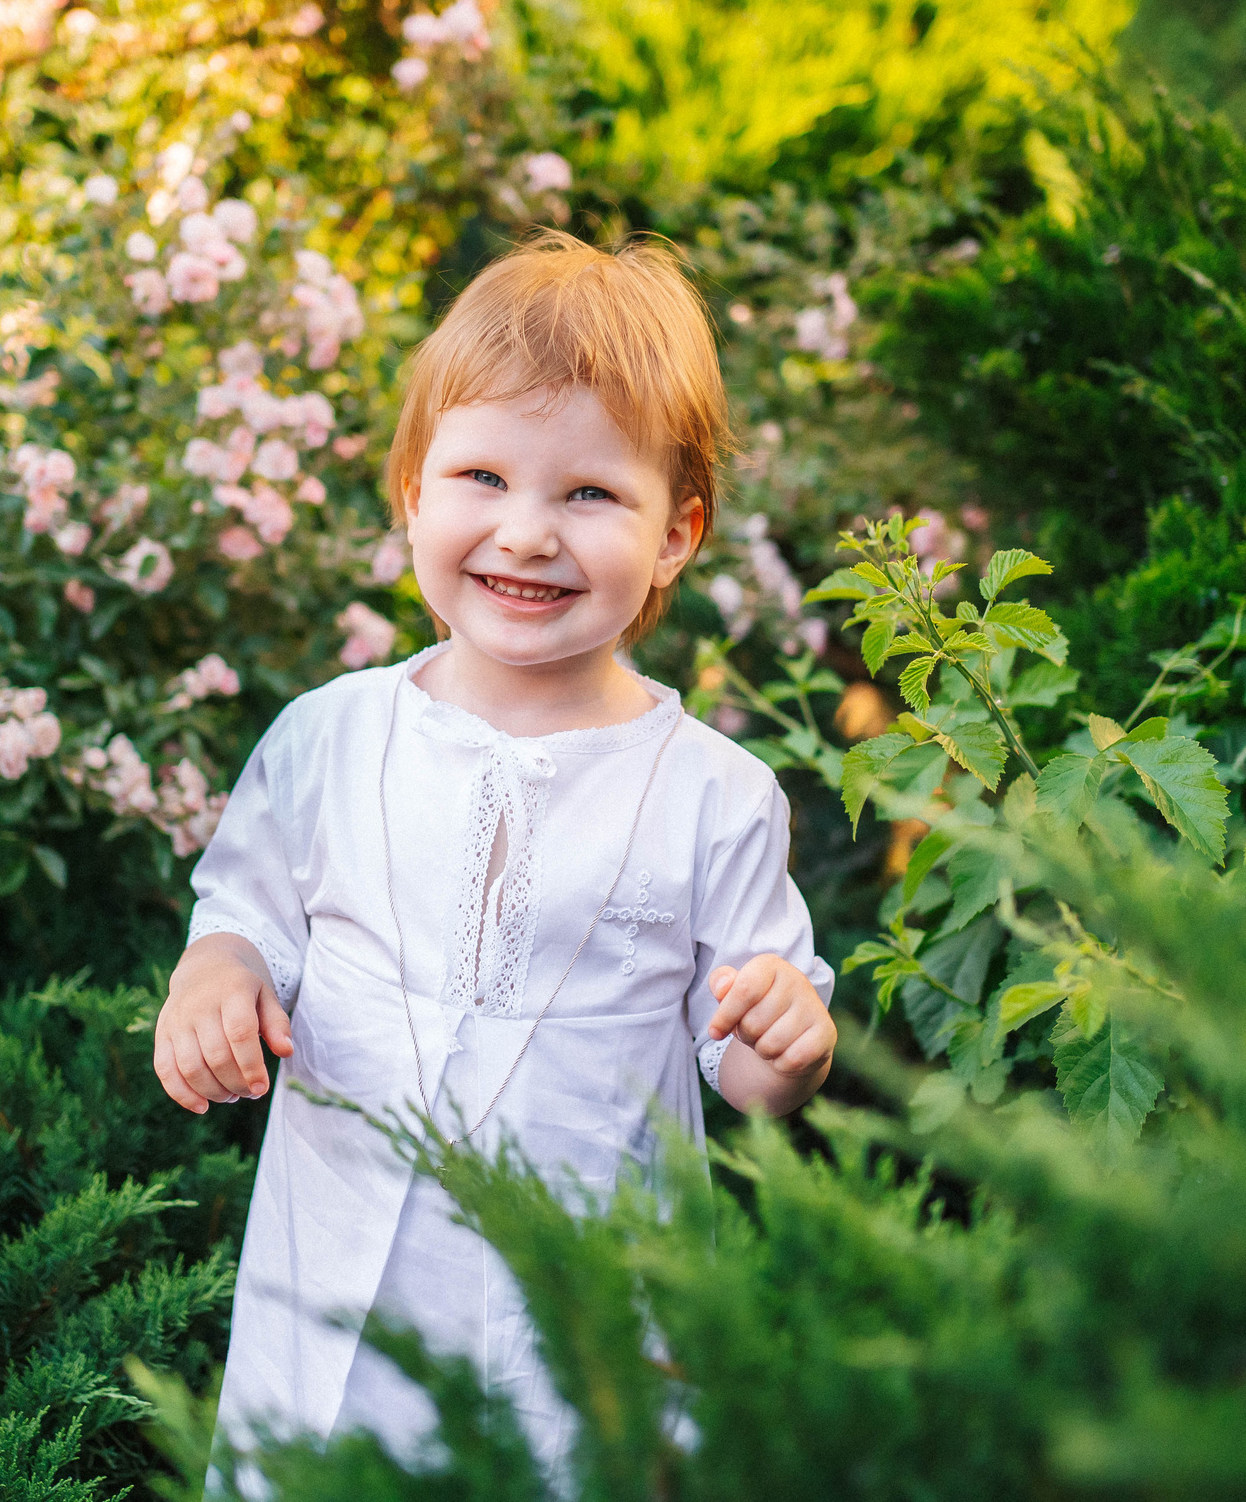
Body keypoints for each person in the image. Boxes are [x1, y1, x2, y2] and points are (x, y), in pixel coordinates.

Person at [152, 230, 836, 1482]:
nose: (525, 533)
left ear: (676, 535)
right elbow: (239, 915)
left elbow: (749, 1077)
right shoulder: (329, 741)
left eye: (588, 494)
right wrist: (217, 980)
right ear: (412, 490)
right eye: (481, 476)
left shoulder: (714, 795)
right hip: (341, 1304)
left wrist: (785, 1036)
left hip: (582, 1324)